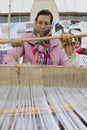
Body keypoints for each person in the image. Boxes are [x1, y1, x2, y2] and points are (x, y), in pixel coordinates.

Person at [3, 9, 71, 66]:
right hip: (30, 79)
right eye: (40, 23)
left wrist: (79, 68)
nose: (42, 26)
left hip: (50, 80)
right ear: (35, 23)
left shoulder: (56, 42)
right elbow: (9, 56)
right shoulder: (26, 39)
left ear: (51, 25)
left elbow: (64, 63)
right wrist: (18, 67)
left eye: (46, 23)